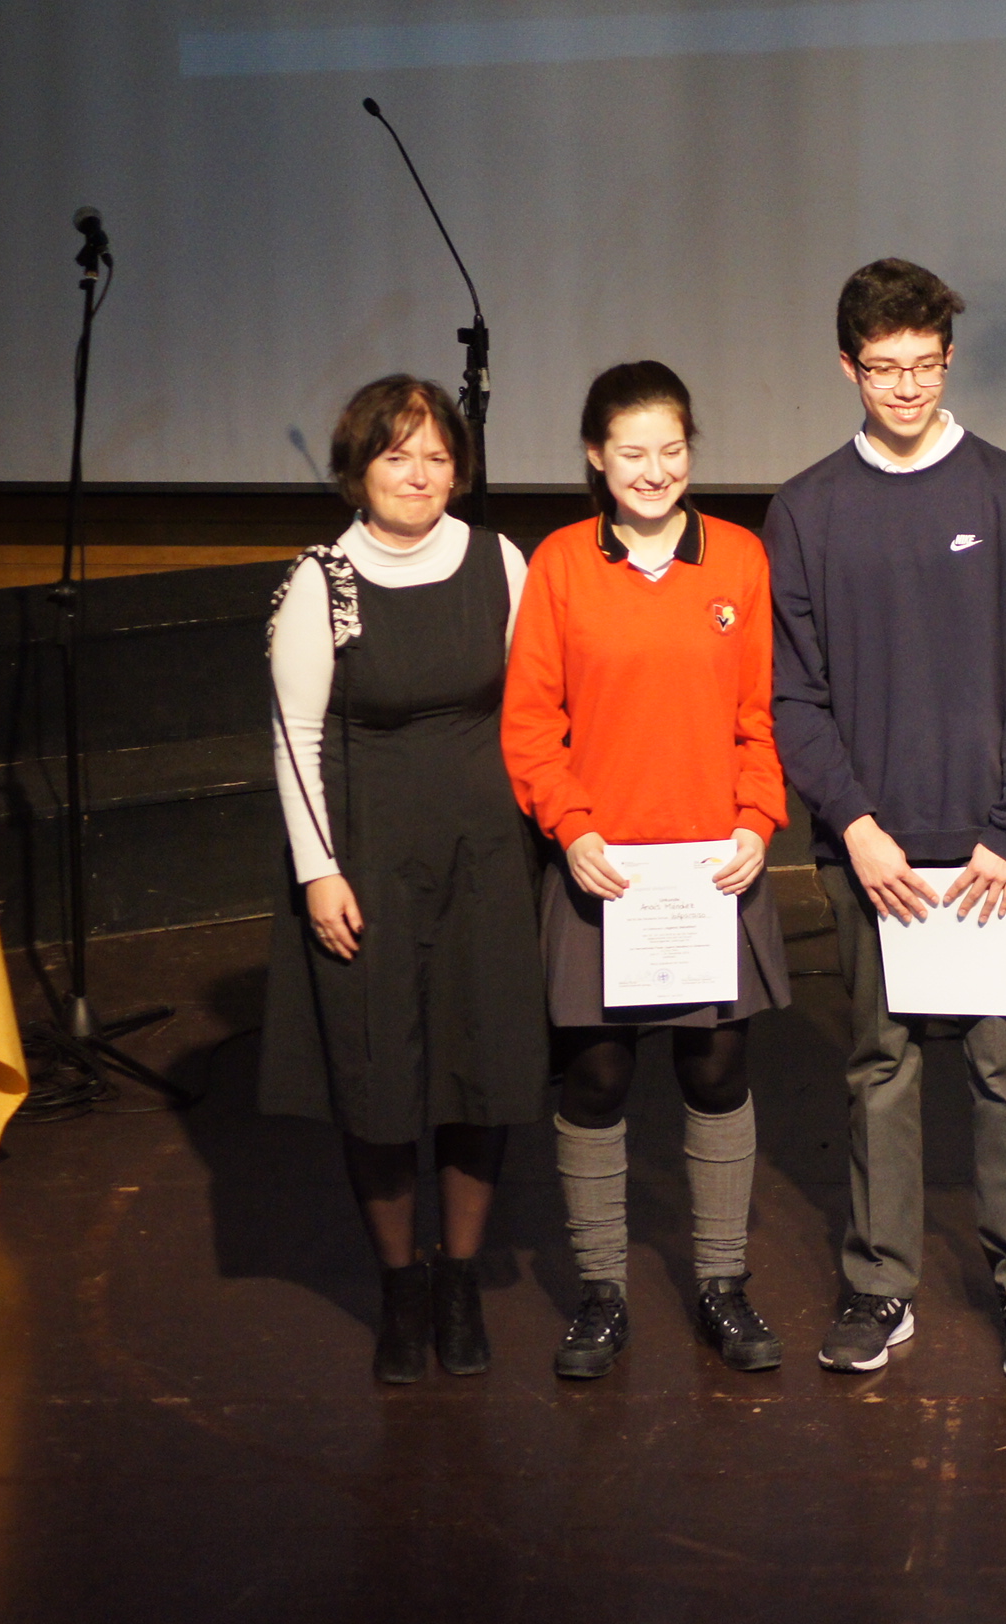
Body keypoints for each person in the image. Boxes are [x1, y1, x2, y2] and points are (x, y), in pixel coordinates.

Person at [767, 258, 1006, 1381]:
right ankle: (878, 1283)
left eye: (925, 364)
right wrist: (853, 825)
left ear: (949, 358)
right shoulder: (807, 509)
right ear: (847, 367)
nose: (906, 386)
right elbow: (792, 692)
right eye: (884, 367)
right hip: (875, 854)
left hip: (992, 850)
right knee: (878, 1068)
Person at [502, 361, 790, 1380]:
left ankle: (722, 1283)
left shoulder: (739, 559)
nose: (655, 470)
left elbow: (759, 718)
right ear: (596, 456)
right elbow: (530, 724)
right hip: (603, 874)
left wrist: (757, 820)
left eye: (672, 450)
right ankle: (600, 1293)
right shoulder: (562, 563)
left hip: (712, 873)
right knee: (597, 1077)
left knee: (716, 1072)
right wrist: (572, 828)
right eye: (633, 452)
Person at [259, 375, 547, 1385]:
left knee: (478, 1067)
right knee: (379, 1077)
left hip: (486, 852)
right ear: (360, 469)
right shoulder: (322, 581)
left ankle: (459, 1279)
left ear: (457, 470)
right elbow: (294, 738)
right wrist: (318, 872)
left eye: (436, 456)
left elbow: (535, 705)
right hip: (370, 857)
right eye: (397, 455)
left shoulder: (500, 561)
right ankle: (401, 1288)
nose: (418, 474)